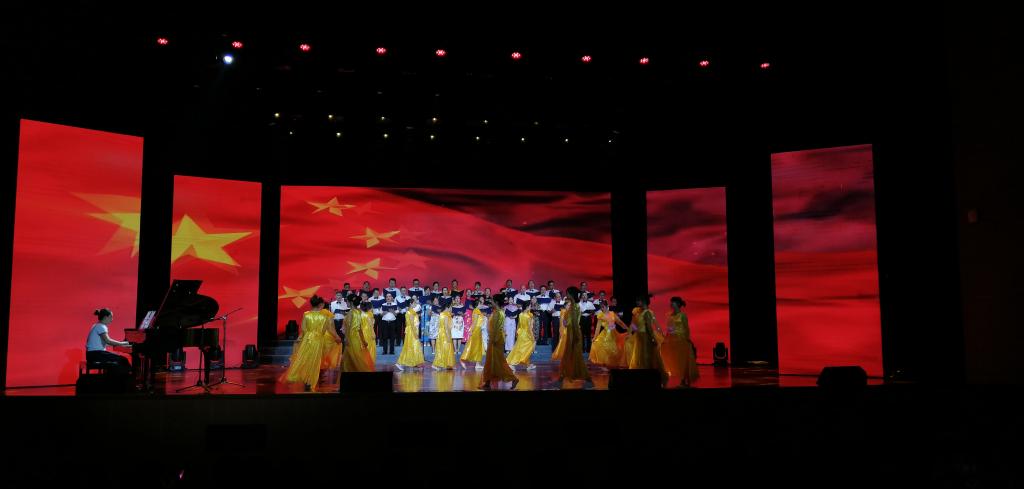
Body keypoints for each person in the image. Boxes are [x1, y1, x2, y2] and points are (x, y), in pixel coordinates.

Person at [284, 295, 342, 391]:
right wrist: (337, 337)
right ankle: (311, 380)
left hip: (307, 340)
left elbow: (304, 329)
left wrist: (300, 338)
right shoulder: (324, 316)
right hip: (318, 340)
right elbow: (330, 329)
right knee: (315, 360)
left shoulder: (306, 314)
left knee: (306, 359)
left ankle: (308, 380)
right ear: (320, 304)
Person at [479, 294, 518, 390]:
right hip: (493, 339)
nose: (491, 302)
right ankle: (487, 382)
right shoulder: (495, 312)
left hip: (496, 340)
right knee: (490, 361)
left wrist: (494, 340)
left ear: (496, 302)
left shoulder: (499, 313)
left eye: (492, 300)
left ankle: (513, 378)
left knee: (498, 361)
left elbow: (497, 328)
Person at [628, 295, 668, 387]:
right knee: (640, 358)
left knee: (647, 358)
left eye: (639, 301)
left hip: (645, 338)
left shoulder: (647, 313)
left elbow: (650, 327)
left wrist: (654, 338)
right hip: (639, 337)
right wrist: (631, 332)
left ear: (644, 302)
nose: (637, 302)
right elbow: (634, 324)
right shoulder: (639, 312)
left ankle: (656, 378)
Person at [661, 296, 699, 387]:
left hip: (681, 339)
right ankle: (681, 378)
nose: (671, 304)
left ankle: (684, 379)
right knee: (676, 360)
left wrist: (687, 339)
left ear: (677, 304)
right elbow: (669, 329)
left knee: (683, 360)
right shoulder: (670, 315)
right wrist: (666, 338)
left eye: (673, 302)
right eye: (671, 302)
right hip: (673, 340)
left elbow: (686, 328)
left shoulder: (682, 316)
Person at [558, 287, 591, 386]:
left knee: (575, 354)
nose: (566, 295)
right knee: (569, 353)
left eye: (568, 293)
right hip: (570, 332)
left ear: (571, 294)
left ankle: (574, 373)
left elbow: (575, 323)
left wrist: (576, 335)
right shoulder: (572, 305)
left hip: (574, 333)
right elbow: (568, 321)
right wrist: (565, 322)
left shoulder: (575, 306)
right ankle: (568, 373)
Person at [85, 308, 132, 375]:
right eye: (111, 317)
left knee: (119, 360)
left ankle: (114, 378)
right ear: (105, 317)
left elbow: (105, 343)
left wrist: (123, 345)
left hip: (92, 354)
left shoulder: (97, 325)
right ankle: (125, 379)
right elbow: (108, 341)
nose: (112, 319)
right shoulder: (101, 326)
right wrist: (122, 343)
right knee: (123, 360)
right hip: (96, 354)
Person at [590, 301, 628, 367]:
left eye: (603, 307)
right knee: (603, 346)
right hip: (605, 334)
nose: (602, 309)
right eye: (601, 307)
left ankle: (613, 361)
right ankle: (607, 362)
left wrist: (627, 328)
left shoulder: (612, 313)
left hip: (614, 333)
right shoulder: (600, 315)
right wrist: (595, 337)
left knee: (615, 348)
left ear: (607, 306)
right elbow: (598, 327)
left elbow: (620, 322)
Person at [342, 295, 373, 373]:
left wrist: (346, 338)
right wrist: (363, 340)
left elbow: (348, 327)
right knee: (352, 359)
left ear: (350, 302)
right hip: (356, 338)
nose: (346, 303)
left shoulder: (351, 313)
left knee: (354, 360)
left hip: (351, 338)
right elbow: (359, 329)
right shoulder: (358, 312)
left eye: (347, 301)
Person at [506, 297, 537, 370]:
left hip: (521, 333)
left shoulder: (521, 314)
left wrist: (517, 333)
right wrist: (533, 337)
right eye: (530, 306)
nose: (531, 307)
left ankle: (528, 365)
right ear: (527, 307)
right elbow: (529, 328)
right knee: (524, 350)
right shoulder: (528, 316)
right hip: (526, 335)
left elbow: (519, 325)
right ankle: (512, 363)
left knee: (522, 349)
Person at [395, 298, 425, 371]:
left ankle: (413, 362)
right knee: (410, 347)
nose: (415, 304)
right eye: (414, 303)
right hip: (412, 332)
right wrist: (415, 334)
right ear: (411, 304)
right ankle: (400, 363)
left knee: (413, 347)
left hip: (412, 331)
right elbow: (411, 324)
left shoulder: (412, 312)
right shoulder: (410, 312)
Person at [459, 300, 486, 370]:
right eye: (481, 303)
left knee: (477, 347)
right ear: (478, 304)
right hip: (476, 330)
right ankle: (463, 359)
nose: (482, 304)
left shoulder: (477, 311)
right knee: (471, 345)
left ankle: (477, 364)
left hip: (478, 330)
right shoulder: (476, 311)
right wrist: (471, 330)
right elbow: (474, 322)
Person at [431, 303, 456, 370]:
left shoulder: (441, 314)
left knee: (442, 349)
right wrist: (448, 336)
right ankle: (436, 364)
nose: (451, 309)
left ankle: (447, 364)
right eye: (450, 307)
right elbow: (446, 327)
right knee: (446, 348)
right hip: (445, 334)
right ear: (447, 308)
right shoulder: (446, 315)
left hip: (441, 333)